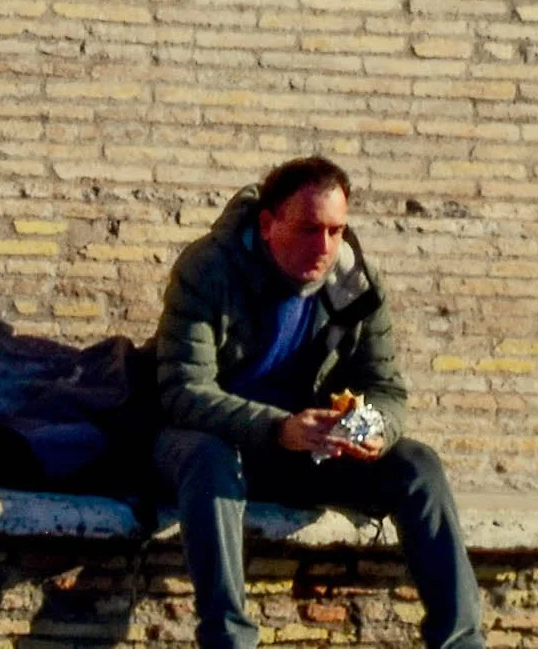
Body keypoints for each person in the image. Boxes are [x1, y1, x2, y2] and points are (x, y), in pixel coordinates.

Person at [152, 156, 483, 649]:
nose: (324, 247)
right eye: (309, 229)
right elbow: (183, 391)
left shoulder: (356, 283)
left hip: (308, 452)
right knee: (209, 458)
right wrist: (278, 428)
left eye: (336, 230)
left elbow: (387, 389)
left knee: (417, 464)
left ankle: (461, 642)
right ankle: (228, 640)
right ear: (269, 224)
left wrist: (373, 428)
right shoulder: (208, 270)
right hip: (207, 447)